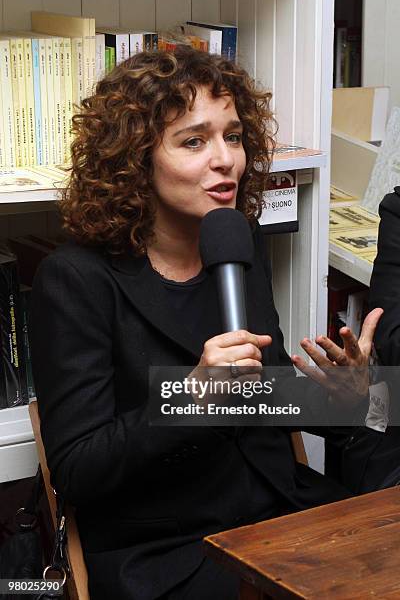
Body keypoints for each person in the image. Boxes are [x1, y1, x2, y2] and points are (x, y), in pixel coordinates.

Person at [29, 46, 381, 600]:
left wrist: (350, 397)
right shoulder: (75, 280)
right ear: (136, 158)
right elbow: (77, 468)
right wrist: (189, 398)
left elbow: (260, 400)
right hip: (167, 550)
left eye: (234, 136)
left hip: (276, 515)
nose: (226, 161)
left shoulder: (238, 243)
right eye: (194, 141)